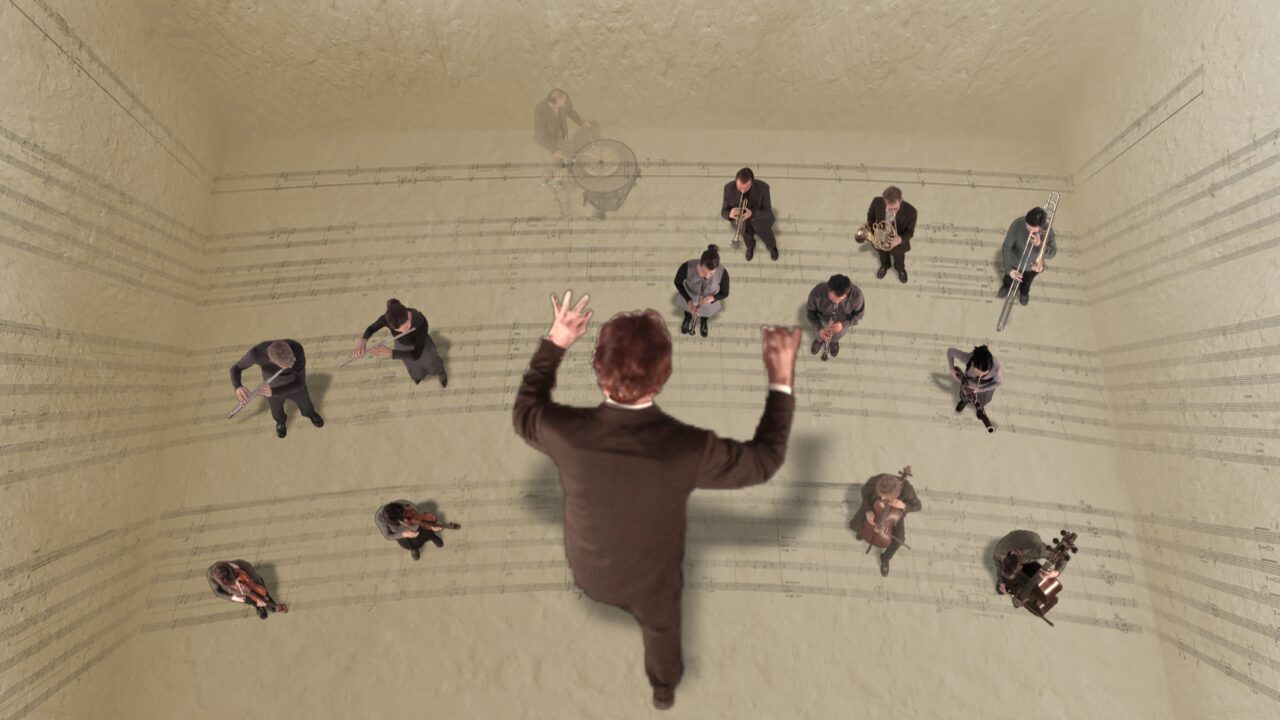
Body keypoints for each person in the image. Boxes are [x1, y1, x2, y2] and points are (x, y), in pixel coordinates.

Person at [513, 290, 800, 710]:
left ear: (598, 369)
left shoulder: (565, 434)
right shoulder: (688, 448)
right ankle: (663, 691)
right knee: (663, 628)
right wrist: (781, 378)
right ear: (663, 377)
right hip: (651, 585)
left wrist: (556, 341)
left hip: (590, 573)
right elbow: (764, 461)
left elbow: (525, 411)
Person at [230, 339, 323, 439]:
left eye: (292, 362)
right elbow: (235, 368)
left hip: (295, 385)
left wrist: (274, 392)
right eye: (286, 366)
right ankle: (280, 422)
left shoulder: (297, 348)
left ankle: (310, 414)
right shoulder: (256, 354)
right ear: (271, 359)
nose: (291, 366)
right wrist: (238, 386)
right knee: (276, 410)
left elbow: (300, 384)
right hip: (272, 387)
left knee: (306, 404)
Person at [352, 298, 447, 387]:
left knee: (431, 362)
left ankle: (440, 371)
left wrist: (391, 353)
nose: (404, 332)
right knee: (412, 365)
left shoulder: (420, 320)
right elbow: (371, 328)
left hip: (422, 345)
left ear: (409, 316)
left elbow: (417, 354)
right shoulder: (386, 319)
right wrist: (363, 340)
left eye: (406, 327)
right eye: (399, 330)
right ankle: (418, 376)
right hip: (402, 345)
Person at [855, 471, 922, 577]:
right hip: (876, 507)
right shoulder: (877, 480)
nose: (882, 499)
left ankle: (885, 558)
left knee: (899, 540)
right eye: (880, 495)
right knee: (855, 524)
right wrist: (868, 510)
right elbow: (864, 491)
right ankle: (863, 532)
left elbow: (918, 506)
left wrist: (904, 506)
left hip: (894, 515)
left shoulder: (908, 491)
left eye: (885, 498)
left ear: (895, 495)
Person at [857, 186, 918, 283]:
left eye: (896, 208)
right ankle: (885, 266)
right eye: (890, 208)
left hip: (897, 243)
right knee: (882, 254)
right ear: (884, 201)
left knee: (899, 258)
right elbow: (870, 217)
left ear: (901, 200)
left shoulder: (911, 212)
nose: (893, 211)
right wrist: (874, 234)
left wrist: (900, 239)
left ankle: (900, 269)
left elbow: (910, 232)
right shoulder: (876, 202)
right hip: (880, 238)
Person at [999, 207, 1057, 306]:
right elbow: (1006, 247)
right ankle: (1006, 286)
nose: (1030, 233)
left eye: (1034, 231)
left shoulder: (1048, 230)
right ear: (1026, 220)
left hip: (1032, 267)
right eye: (1028, 229)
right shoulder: (1017, 224)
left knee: (1027, 283)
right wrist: (1009, 269)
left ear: (1041, 227)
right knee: (1008, 278)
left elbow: (1052, 253)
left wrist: (1040, 244)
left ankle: (1024, 293)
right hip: (1014, 263)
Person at [720, 168, 777, 262]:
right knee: (747, 238)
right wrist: (729, 214)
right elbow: (723, 212)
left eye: (746, 188)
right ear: (736, 181)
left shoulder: (763, 188)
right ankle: (750, 248)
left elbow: (767, 212)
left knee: (767, 237)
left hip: (759, 221)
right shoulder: (728, 188)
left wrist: (752, 213)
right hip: (742, 224)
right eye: (740, 188)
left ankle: (772, 247)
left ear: (752, 182)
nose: (743, 191)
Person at [673, 244, 730, 338]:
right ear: (699, 262)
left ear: (716, 268)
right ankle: (687, 318)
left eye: (711, 273)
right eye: (703, 272)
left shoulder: (723, 273)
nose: (707, 276)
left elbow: (725, 293)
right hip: (690, 294)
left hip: (709, 301)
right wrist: (688, 300)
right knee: (688, 310)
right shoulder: (686, 267)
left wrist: (713, 298)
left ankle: (704, 322)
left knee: (706, 313)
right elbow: (677, 282)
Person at [804, 274, 865, 360]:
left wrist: (843, 325)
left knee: (838, 335)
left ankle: (834, 342)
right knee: (818, 334)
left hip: (842, 322)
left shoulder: (857, 295)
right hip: (821, 320)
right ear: (828, 289)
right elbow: (810, 312)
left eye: (841, 299)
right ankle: (819, 340)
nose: (837, 302)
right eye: (833, 298)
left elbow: (859, 315)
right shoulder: (817, 292)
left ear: (847, 293)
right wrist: (819, 328)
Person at [374, 500, 461, 560]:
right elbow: (388, 536)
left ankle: (432, 536)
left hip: (417, 524)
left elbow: (414, 507)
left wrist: (430, 524)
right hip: (403, 535)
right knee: (410, 541)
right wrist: (404, 534)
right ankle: (414, 548)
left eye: (405, 513)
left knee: (426, 530)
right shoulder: (379, 518)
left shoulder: (399, 504)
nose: (405, 518)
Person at [992, 530, 1067, 596]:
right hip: (1012, 538)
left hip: (1029, 538)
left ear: (1021, 567)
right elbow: (997, 562)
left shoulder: (1038, 550)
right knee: (1000, 588)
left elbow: (1062, 557)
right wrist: (1002, 581)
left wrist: (1056, 572)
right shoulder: (999, 552)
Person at [207, 560, 288, 620]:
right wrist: (233, 596)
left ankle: (273, 607)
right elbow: (217, 592)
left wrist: (253, 585)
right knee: (246, 599)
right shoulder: (211, 577)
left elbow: (257, 580)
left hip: (250, 582)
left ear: (231, 569)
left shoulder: (242, 564)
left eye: (235, 576)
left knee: (262, 591)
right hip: (233, 591)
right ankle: (257, 606)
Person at [947, 345, 1004, 424]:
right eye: (977, 372)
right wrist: (951, 369)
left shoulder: (997, 370)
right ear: (973, 363)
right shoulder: (969, 358)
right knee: (964, 396)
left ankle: (980, 409)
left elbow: (999, 383)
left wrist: (980, 389)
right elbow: (950, 351)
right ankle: (964, 401)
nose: (980, 376)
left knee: (982, 402)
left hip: (985, 389)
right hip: (968, 385)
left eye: (983, 374)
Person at [534, 89, 591, 160]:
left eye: (564, 102)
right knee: (571, 152)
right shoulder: (540, 110)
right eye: (561, 104)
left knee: (573, 151)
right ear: (552, 104)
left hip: (562, 135)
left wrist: (581, 122)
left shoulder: (563, 98)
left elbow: (570, 111)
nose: (564, 105)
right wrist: (553, 151)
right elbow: (539, 136)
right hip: (550, 139)